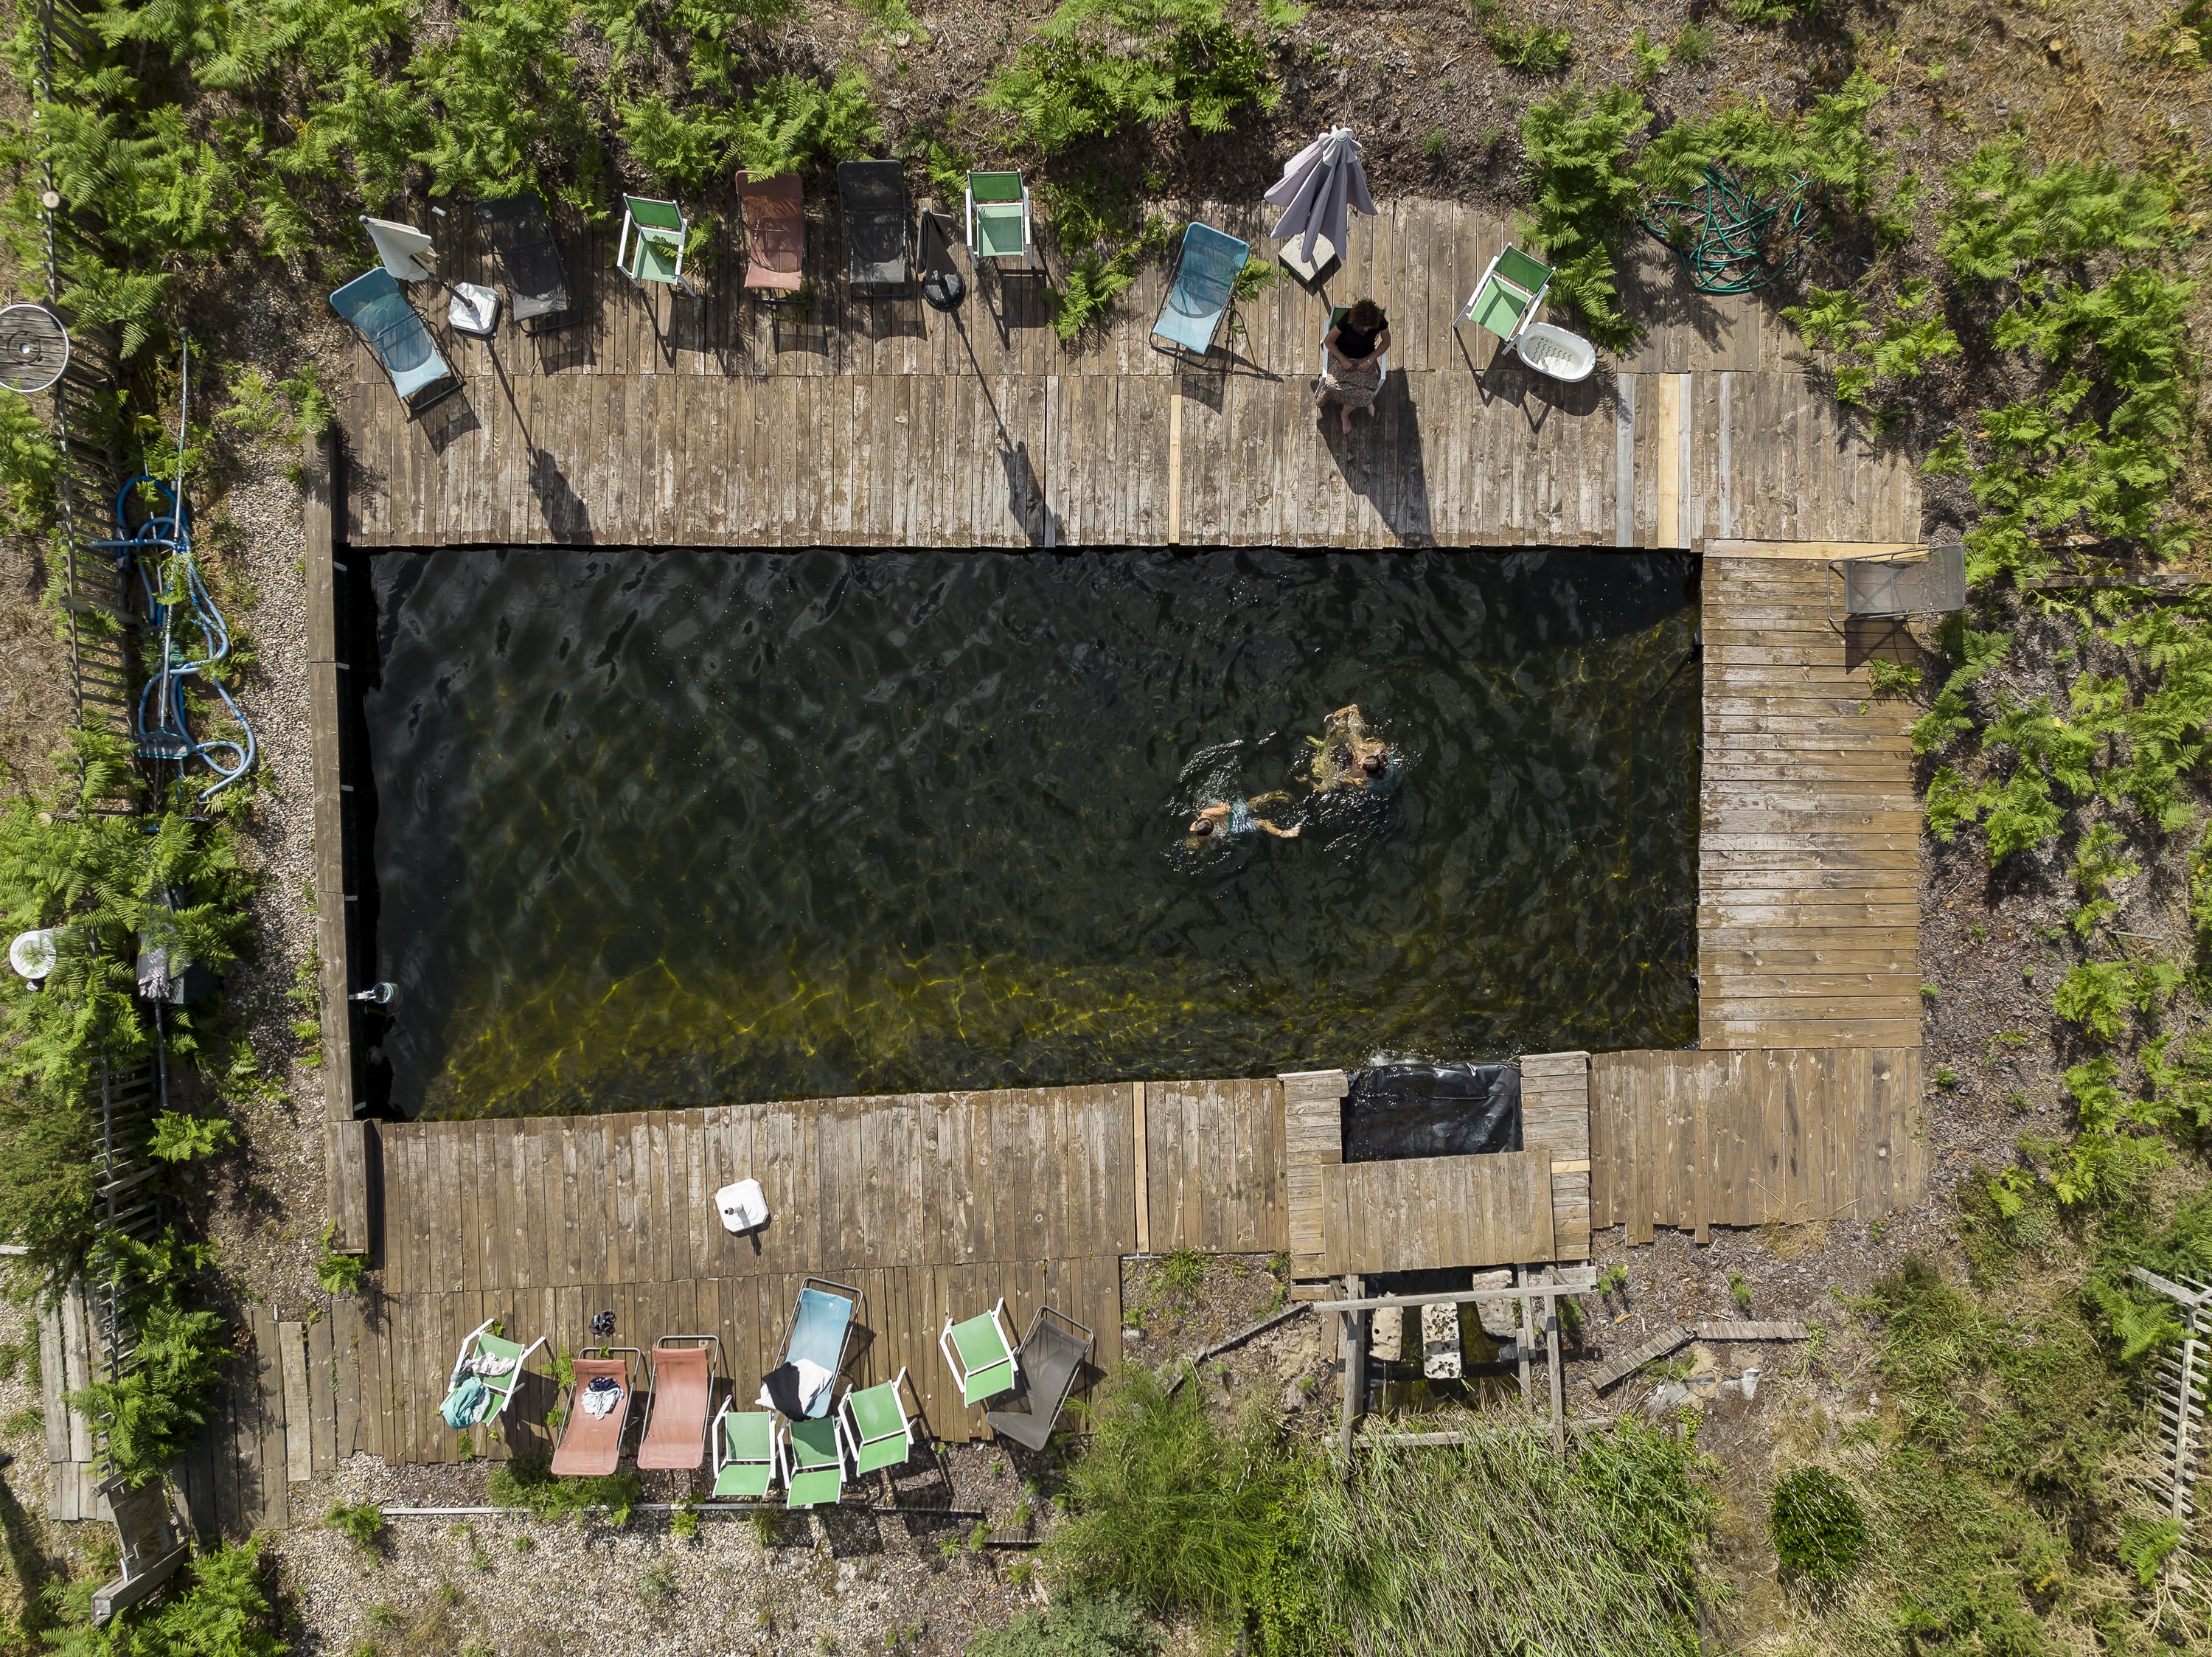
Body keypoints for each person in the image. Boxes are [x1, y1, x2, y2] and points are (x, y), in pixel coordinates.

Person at [1315, 299, 1391, 434]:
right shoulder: (1348, 319)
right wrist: (1343, 360)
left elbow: (1386, 342)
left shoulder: (1379, 320)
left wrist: (1370, 361)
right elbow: (1328, 341)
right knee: (1332, 384)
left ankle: (1344, 414)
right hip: (1342, 357)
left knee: (1363, 387)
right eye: (1364, 327)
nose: (1367, 329)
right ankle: (1367, 400)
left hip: (1365, 359)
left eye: (1370, 327)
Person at [1305, 704, 1396, 792]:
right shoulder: (1370, 749)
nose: (1360, 762)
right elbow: (1354, 708)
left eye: (1361, 764)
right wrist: (1337, 715)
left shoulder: (1362, 781)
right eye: (1364, 760)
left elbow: (1323, 788)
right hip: (1389, 771)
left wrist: (1307, 780)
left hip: (1379, 787)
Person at [1189, 791, 1301, 843]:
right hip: (1235, 816)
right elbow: (1225, 810)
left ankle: (1282, 833)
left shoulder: (1203, 837)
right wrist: (1223, 808)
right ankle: (1273, 796)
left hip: (1234, 827)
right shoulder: (1206, 814)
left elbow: (1201, 844)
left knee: (1263, 824)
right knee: (1252, 804)